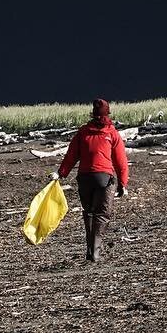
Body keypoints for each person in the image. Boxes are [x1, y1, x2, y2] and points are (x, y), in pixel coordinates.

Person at [57, 98, 129, 262]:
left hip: (84, 178)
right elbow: (121, 161)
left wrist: (61, 173)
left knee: (88, 212)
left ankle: (90, 251)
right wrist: (123, 184)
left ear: (93, 113)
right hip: (104, 178)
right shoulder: (112, 133)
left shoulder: (83, 132)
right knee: (102, 214)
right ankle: (95, 252)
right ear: (107, 113)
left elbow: (71, 155)